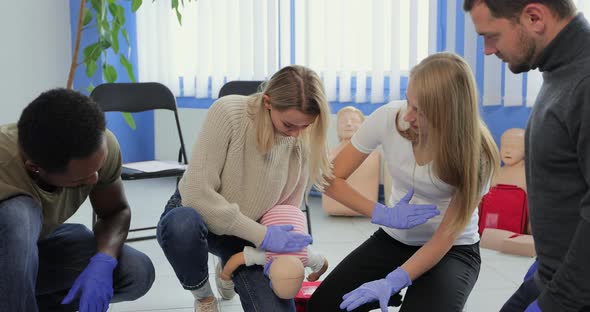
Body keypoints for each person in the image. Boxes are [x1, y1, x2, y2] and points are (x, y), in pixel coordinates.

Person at [307, 52, 500, 312]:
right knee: (323, 307)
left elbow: (445, 236)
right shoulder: (388, 117)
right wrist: (382, 214)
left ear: (447, 114)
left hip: (453, 250)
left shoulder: (478, 154)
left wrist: (393, 280)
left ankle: (401, 291)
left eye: (419, 110)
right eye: (409, 101)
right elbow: (331, 179)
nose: (407, 115)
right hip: (395, 239)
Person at [156, 65, 332, 312]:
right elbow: (196, 194)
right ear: (268, 102)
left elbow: (287, 210)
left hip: (250, 232)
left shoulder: (300, 139)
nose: (297, 134)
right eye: (290, 124)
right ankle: (204, 296)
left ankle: (227, 263)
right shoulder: (229, 112)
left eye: (305, 126)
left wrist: (288, 255)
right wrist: (264, 236)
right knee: (181, 224)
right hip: (200, 214)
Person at [464, 1, 590, 311]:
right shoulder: (562, 71)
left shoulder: (584, 82)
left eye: (492, 36)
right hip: (552, 276)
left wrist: (558, 300)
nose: (488, 51)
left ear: (534, 17)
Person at [0, 88, 155, 312]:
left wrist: (104, 261)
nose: (95, 178)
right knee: (18, 214)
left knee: (135, 271)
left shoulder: (100, 146)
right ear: (35, 168)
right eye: (82, 178)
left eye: (98, 168)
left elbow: (115, 212)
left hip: (37, 251)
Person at [219, 205, 328, 299]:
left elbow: (324, 263)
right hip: (269, 211)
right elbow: (236, 259)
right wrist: (225, 274)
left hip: (296, 212)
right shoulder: (266, 255)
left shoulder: (306, 255)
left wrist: (317, 274)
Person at [322, 106, 380, 216]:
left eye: (354, 121)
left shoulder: (374, 156)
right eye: (343, 121)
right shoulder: (328, 155)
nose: (348, 124)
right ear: (337, 128)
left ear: (363, 126)